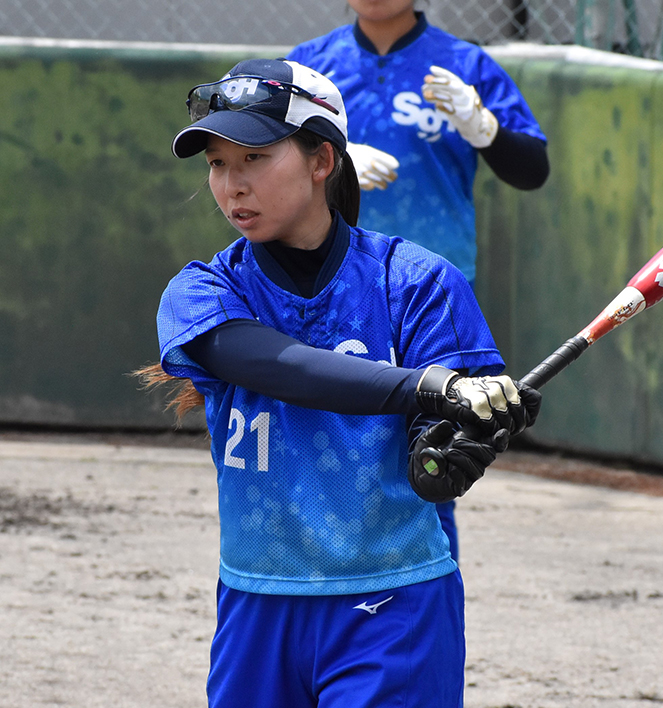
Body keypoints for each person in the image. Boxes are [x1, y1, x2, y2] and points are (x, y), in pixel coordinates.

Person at [136, 58, 541, 707]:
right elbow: (272, 364)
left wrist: (452, 449)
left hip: (393, 602)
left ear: (321, 160)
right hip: (256, 602)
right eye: (217, 164)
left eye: (254, 158)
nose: (231, 185)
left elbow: (437, 446)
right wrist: (430, 389)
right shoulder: (204, 290)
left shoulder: (417, 283)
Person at [287, 0, 550, 558]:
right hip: (324, 285)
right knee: (320, 441)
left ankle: (425, 587)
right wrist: (329, 159)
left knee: (435, 449)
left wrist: (484, 127)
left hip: (427, 297)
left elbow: (531, 168)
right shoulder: (310, 67)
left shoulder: (464, 64)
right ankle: (318, 579)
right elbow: (259, 160)